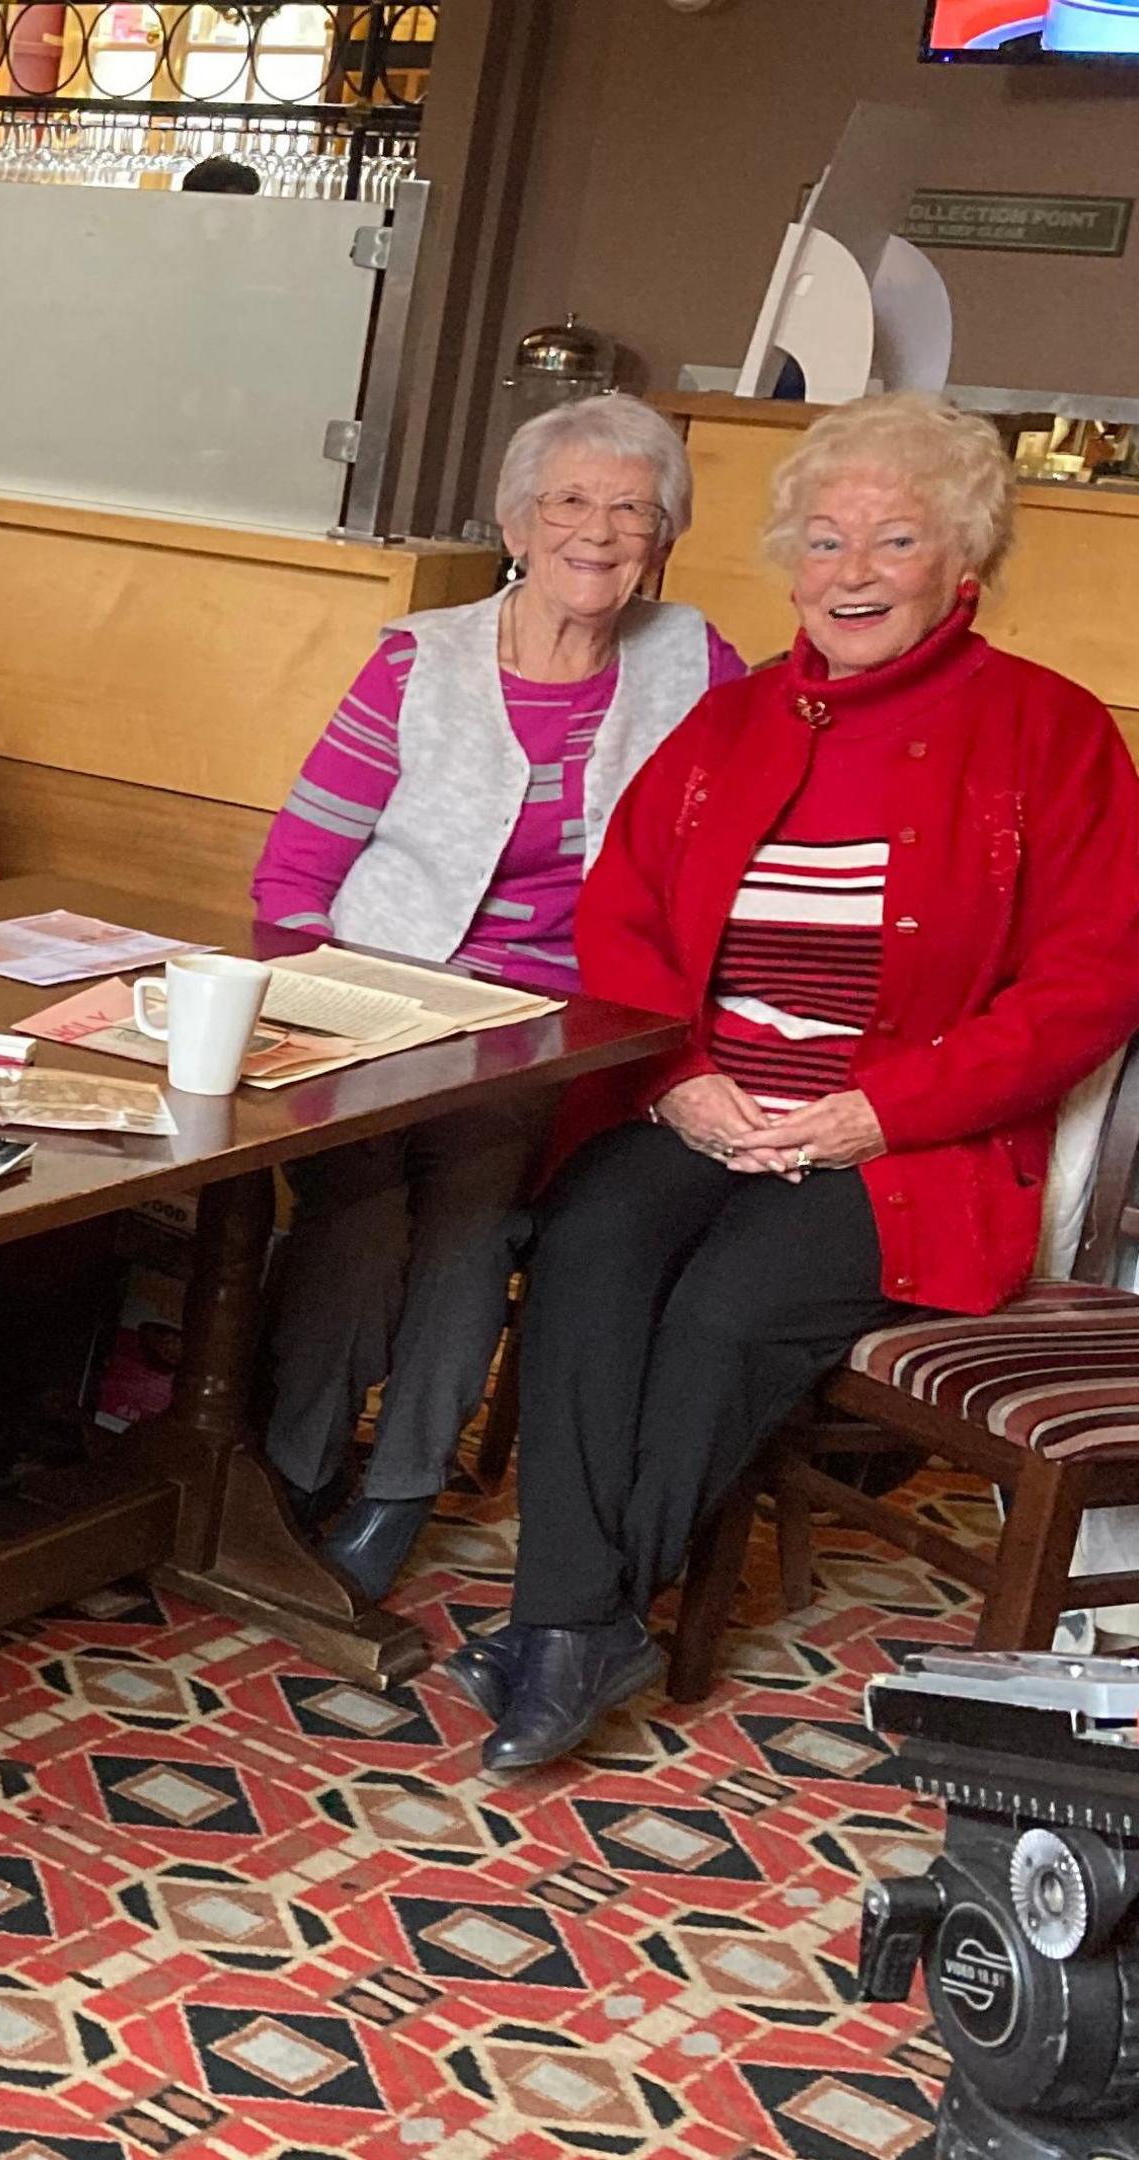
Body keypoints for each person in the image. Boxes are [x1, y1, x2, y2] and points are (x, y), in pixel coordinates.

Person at [462, 393, 1139, 1772]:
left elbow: (1092, 983)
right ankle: (582, 1629)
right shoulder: (728, 724)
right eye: (825, 541)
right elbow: (625, 919)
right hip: (705, 1095)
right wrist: (684, 1077)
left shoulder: (1050, 732)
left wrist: (885, 1109)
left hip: (905, 1139)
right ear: (789, 565)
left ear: (964, 566)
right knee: (592, 1241)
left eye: (895, 541)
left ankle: (565, 1624)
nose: (852, 572)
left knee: (728, 1307)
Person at [247, 391, 745, 1605]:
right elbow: (294, 876)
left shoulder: (697, 662)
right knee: (359, 1195)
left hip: (560, 1027)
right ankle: (288, 1467)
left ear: (665, 538)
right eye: (571, 501)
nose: (600, 530)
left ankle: (399, 1489)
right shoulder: (423, 661)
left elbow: (736, 849)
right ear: (518, 523)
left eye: (633, 509)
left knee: (473, 1195)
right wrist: (320, 1008)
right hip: (382, 996)